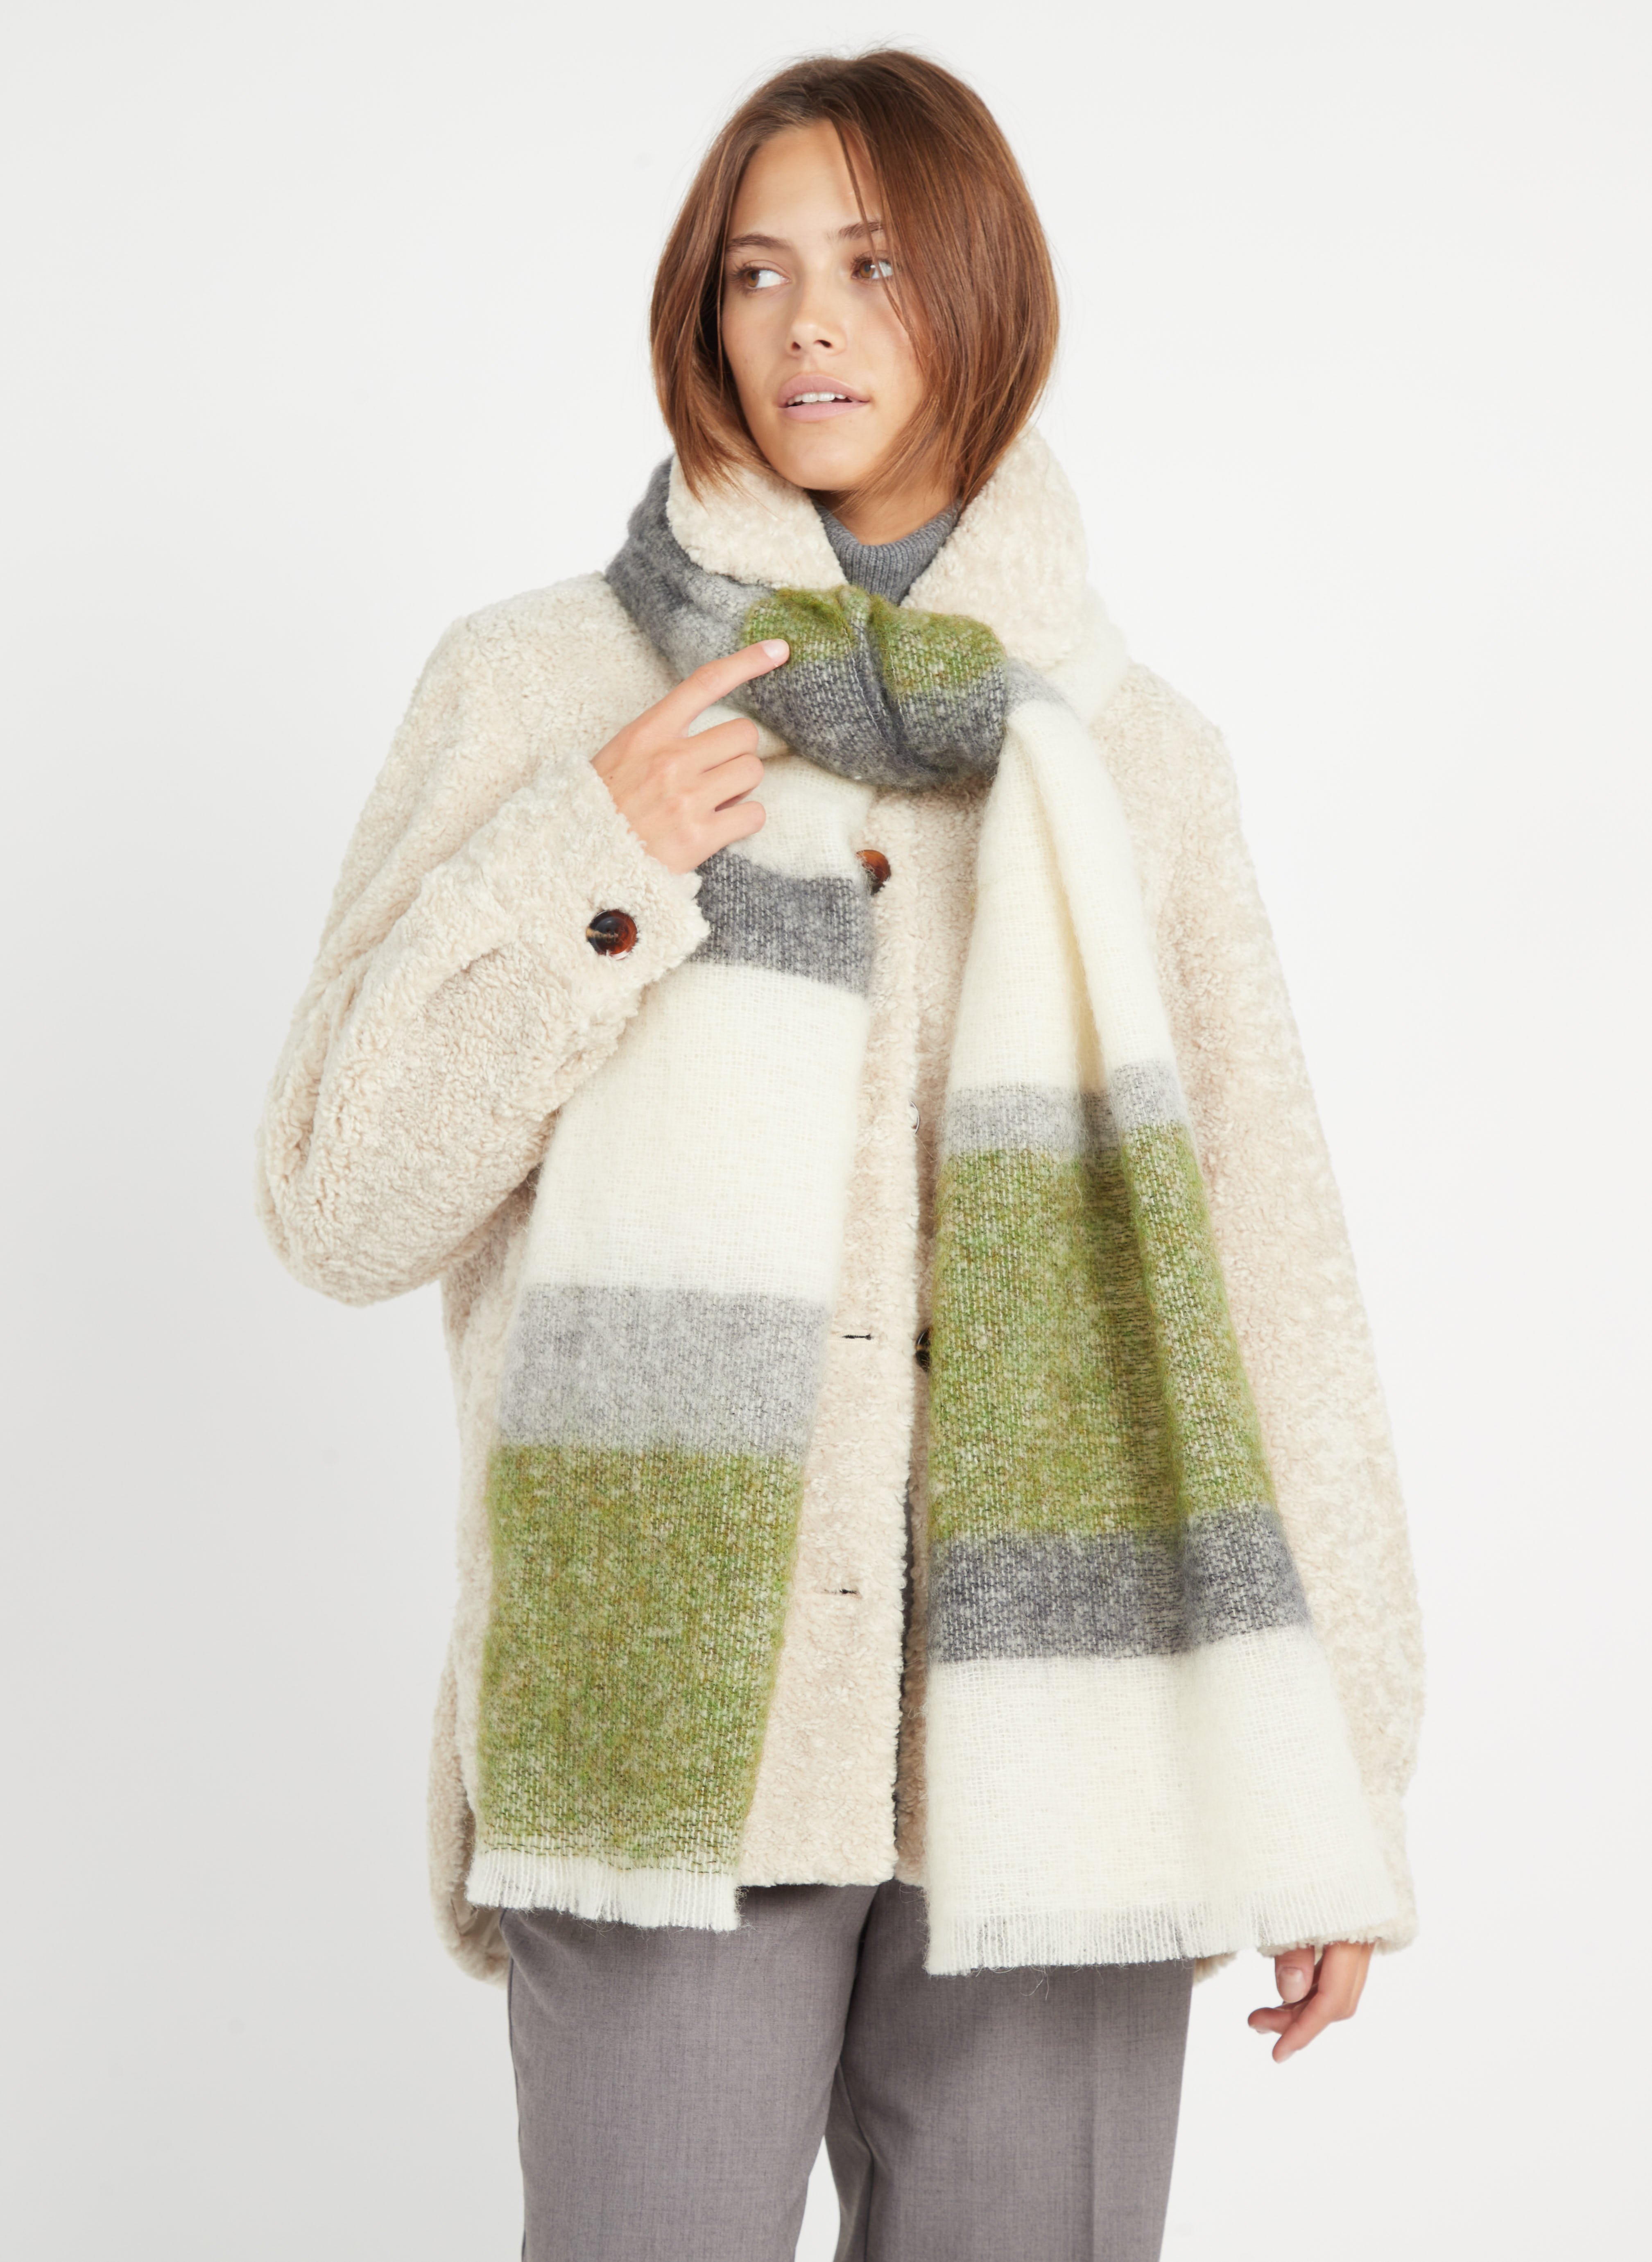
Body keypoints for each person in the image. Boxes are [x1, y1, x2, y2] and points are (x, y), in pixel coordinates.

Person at [258, 48, 1423, 2262]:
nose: (807, 326)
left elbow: (1272, 1268)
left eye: (874, 268)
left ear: (986, 296)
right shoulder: (544, 690)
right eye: (754, 273)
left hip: (1072, 1744)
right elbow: (338, 1198)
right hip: (674, 1730)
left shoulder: (1129, 756)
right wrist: (595, 859)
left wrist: (1337, 1769)